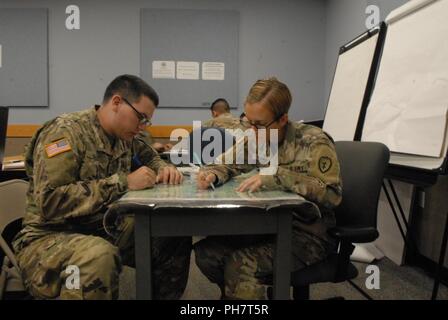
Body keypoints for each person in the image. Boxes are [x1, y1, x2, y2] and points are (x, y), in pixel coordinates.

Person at [12, 74, 191, 300]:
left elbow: (150, 156)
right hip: (49, 236)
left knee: (171, 234)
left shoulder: (124, 136)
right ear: (117, 102)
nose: (142, 126)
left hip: (101, 227)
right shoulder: (66, 132)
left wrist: (164, 168)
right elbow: (50, 202)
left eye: (147, 121)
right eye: (141, 117)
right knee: (98, 256)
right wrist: (124, 182)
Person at [194, 77, 342, 299]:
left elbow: (331, 195)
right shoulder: (257, 135)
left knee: (240, 265)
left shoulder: (313, 142)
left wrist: (278, 176)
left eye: (259, 124)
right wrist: (213, 173)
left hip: (308, 233)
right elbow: (226, 163)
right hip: (267, 225)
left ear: (282, 119)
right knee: (208, 254)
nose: (252, 131)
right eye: (247, 122)